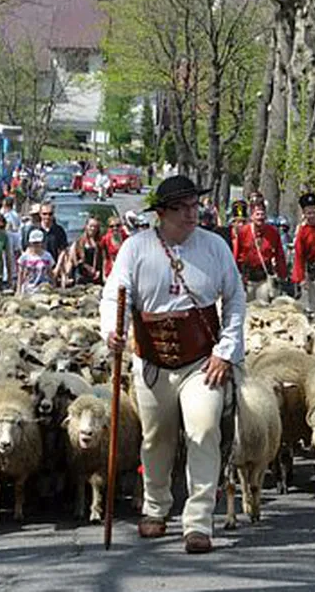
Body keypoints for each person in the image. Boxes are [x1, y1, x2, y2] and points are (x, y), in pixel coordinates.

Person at [101, 175, 245, 555]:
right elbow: (114, 294)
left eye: (195, 207)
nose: (190, 214)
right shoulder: (136, 249)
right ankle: (156, 505)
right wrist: (111, 332)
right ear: (161, 213)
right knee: (155, 437)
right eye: (181, 208)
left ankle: (198, 521)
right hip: (152, 360)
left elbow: (235, 301)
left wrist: (226, 351)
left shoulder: (215, 248)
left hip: (201, 360)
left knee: (203, 428)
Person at [233, 202, 287, 293]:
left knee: (264, 303)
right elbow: (236, 255)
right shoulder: (243, 232)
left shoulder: (273, 233)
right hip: (247, 279)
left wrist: (282, 275)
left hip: (264, 278)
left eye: (262, 214)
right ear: (252, 217)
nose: (260, 217)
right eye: (257, 214)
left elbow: (279, 255)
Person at [18, 229, 55, 294]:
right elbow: (20, 274)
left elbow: (50, 272)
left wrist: (53, 285)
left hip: (43, 288)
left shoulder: (47, 256)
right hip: (28, 289)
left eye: (38, 242)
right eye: (34, 243)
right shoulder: (24, 257)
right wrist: (18, 290)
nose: (36, 245)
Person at [73, 217, 105, 285]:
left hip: (96, 277)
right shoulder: (79, 242)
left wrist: (98, 271)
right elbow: (75, 262)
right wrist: (87, 267)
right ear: (86, 226)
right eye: (91, 226)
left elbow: (103, 260)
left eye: (95, 227)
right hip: (82, 277)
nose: (93, 229)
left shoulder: (100, 242)